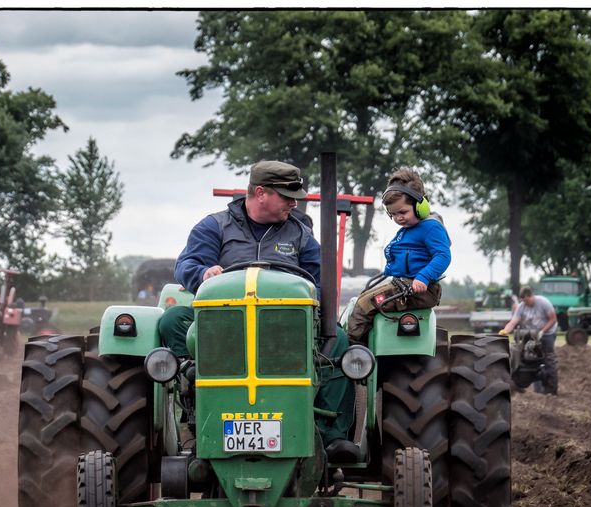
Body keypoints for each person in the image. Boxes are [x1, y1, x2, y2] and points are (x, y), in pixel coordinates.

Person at [159, 160, 359, 462]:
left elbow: (319, 282)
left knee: (339, 342)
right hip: (225, 325)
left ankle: (329, 437)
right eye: (286, 196)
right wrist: (203, 274)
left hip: (287, 326)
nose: (294, 203)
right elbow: (186, 265)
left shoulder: (300, 235)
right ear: (261, 193)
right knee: (174, 319)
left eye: (295, 197)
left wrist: (307, 295)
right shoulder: (215, 226)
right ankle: (195, 393)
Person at [345, 169, 451, 345]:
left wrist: (423, 277)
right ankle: (365, 346)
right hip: (402, 285)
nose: (398, 218)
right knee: (359, 299)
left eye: (402, 212)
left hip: (421, 290)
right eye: (392, 214)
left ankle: (351, 349)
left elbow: (442, 256)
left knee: (365, 304)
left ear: (420, 206)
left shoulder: (431, 227)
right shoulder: (407, 230)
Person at [499, 286, 559, 395]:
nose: (525, 303)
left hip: (548, 332)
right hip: (531, 333)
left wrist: (542, 332)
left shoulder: (543, 303)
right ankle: (518, 379)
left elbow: (553, 320)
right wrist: (504, 331)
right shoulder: (522, 307)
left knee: (548, 357)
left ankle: (551, 390)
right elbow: (513, 322)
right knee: (520, 353)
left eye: (526, 300)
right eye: (523, 301)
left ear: (531, 296)